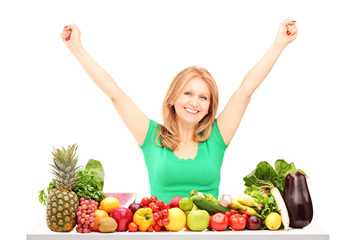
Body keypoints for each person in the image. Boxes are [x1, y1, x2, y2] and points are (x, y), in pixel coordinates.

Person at [61, 19, 298, 203]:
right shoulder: (151, 136)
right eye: (188, 93)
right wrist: (76, 48)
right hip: (160, 232)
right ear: (173, 98)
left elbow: (246, 89)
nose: (195, 102)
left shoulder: (217, 137)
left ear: (208, 108)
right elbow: (115, 93)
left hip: (210, 232)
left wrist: (279, 43)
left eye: (203, 97)